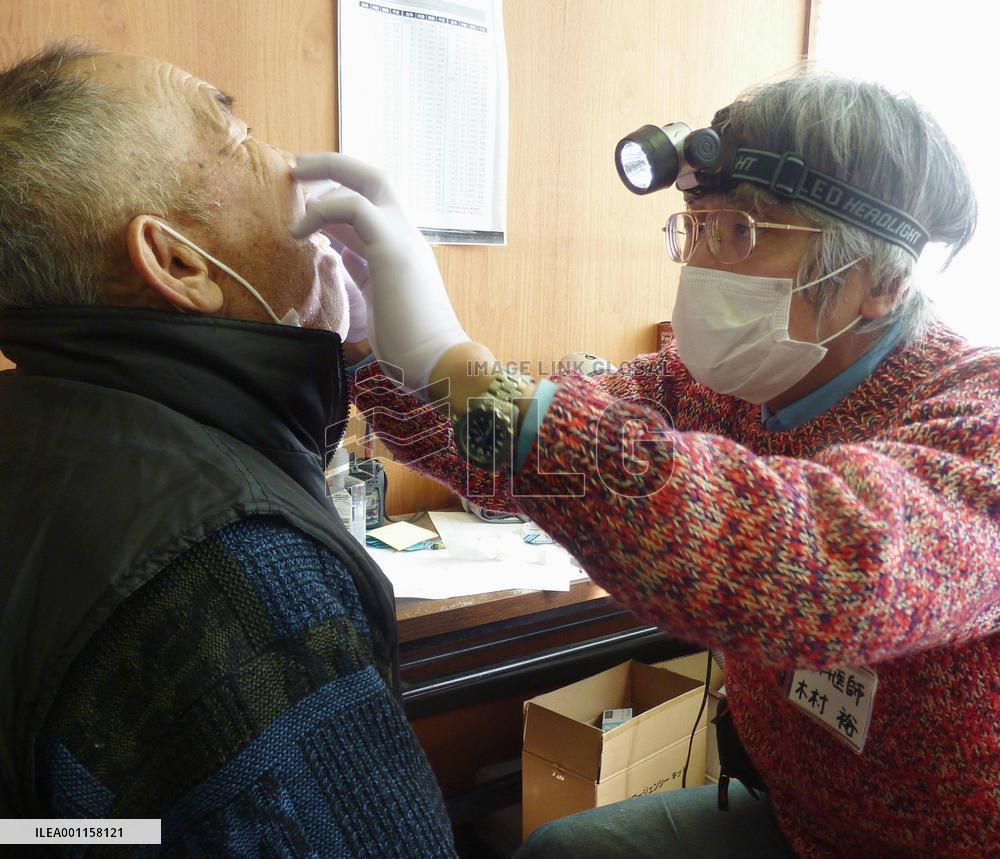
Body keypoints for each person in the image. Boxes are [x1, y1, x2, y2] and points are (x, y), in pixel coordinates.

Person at [293, 73, 1000, 857]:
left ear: (882, 282)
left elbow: (827, 571)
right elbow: (517, 452)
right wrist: (375, 346)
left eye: (737, 233)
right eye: (692, 226)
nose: (698, 263)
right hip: (799, 821)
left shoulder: (980, 415)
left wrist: (463, 367)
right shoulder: (710, 385)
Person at [0, 44, 457, 856]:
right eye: (237, 132)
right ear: (177, 261)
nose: (286, 161)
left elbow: (63, 829)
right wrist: (450, 364)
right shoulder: (237, 568)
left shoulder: (38, 425)